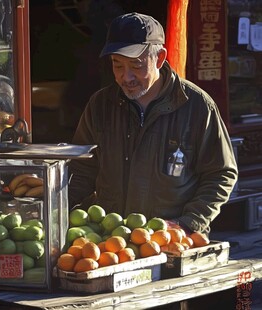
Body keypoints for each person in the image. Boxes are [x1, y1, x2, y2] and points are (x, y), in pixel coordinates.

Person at [68, 12, 238, 234]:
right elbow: (82, 171)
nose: (126, 77)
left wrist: (188, 223)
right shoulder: (100, 105)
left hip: (170, 241)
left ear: (159, 58)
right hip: (109, 241)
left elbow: (221, 174)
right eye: (117, 65)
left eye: (136, 65)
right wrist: (53, 212)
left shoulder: (197, 106)